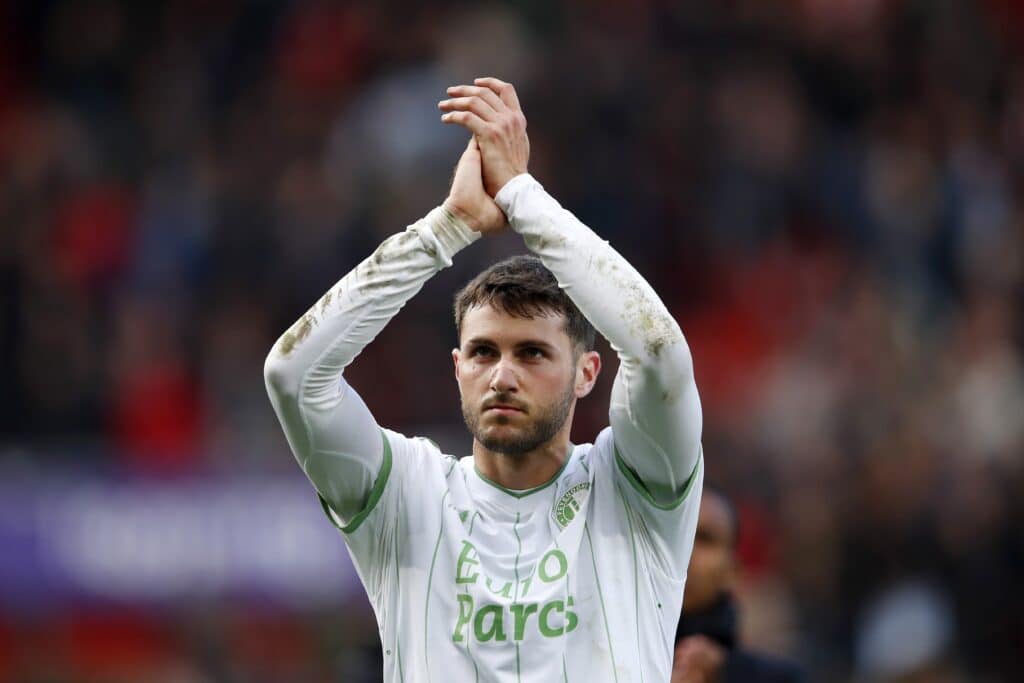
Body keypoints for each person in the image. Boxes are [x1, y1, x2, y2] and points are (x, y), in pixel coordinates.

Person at [264, 76, 704, 682]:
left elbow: (657, 350)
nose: (502, 376)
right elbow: (293, 373)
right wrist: (448, 227)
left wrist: (523, 196)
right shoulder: (406, 496)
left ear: (586, 372)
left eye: (531, 353)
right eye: (482, 353)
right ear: (457, 367)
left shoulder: (634, 492)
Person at [672, 485, 804, 683]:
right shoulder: (614, 656)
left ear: (732, 571)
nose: (687, 551)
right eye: (676, 534)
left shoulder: (780, 679)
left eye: (704, 539)